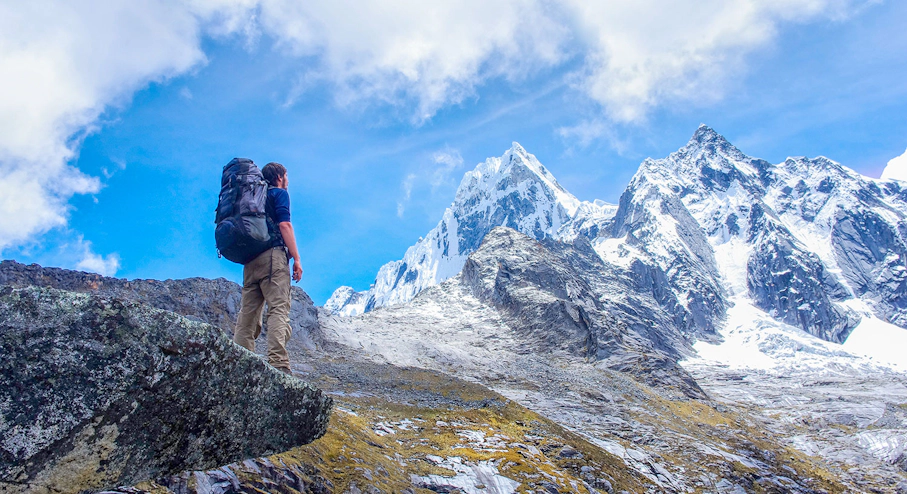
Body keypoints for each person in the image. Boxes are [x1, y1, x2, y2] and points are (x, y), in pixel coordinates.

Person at [233, 162, 303, 375]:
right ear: (280, 177)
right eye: (287, 176)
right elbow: (285, 225)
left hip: (250, 261)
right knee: (278, 309)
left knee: (248, 313)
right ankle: (278, 363)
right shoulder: (278, 194)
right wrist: (297, 259)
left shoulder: (254, 197)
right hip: (272, 257)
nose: (288, 181)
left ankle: (239, 362)